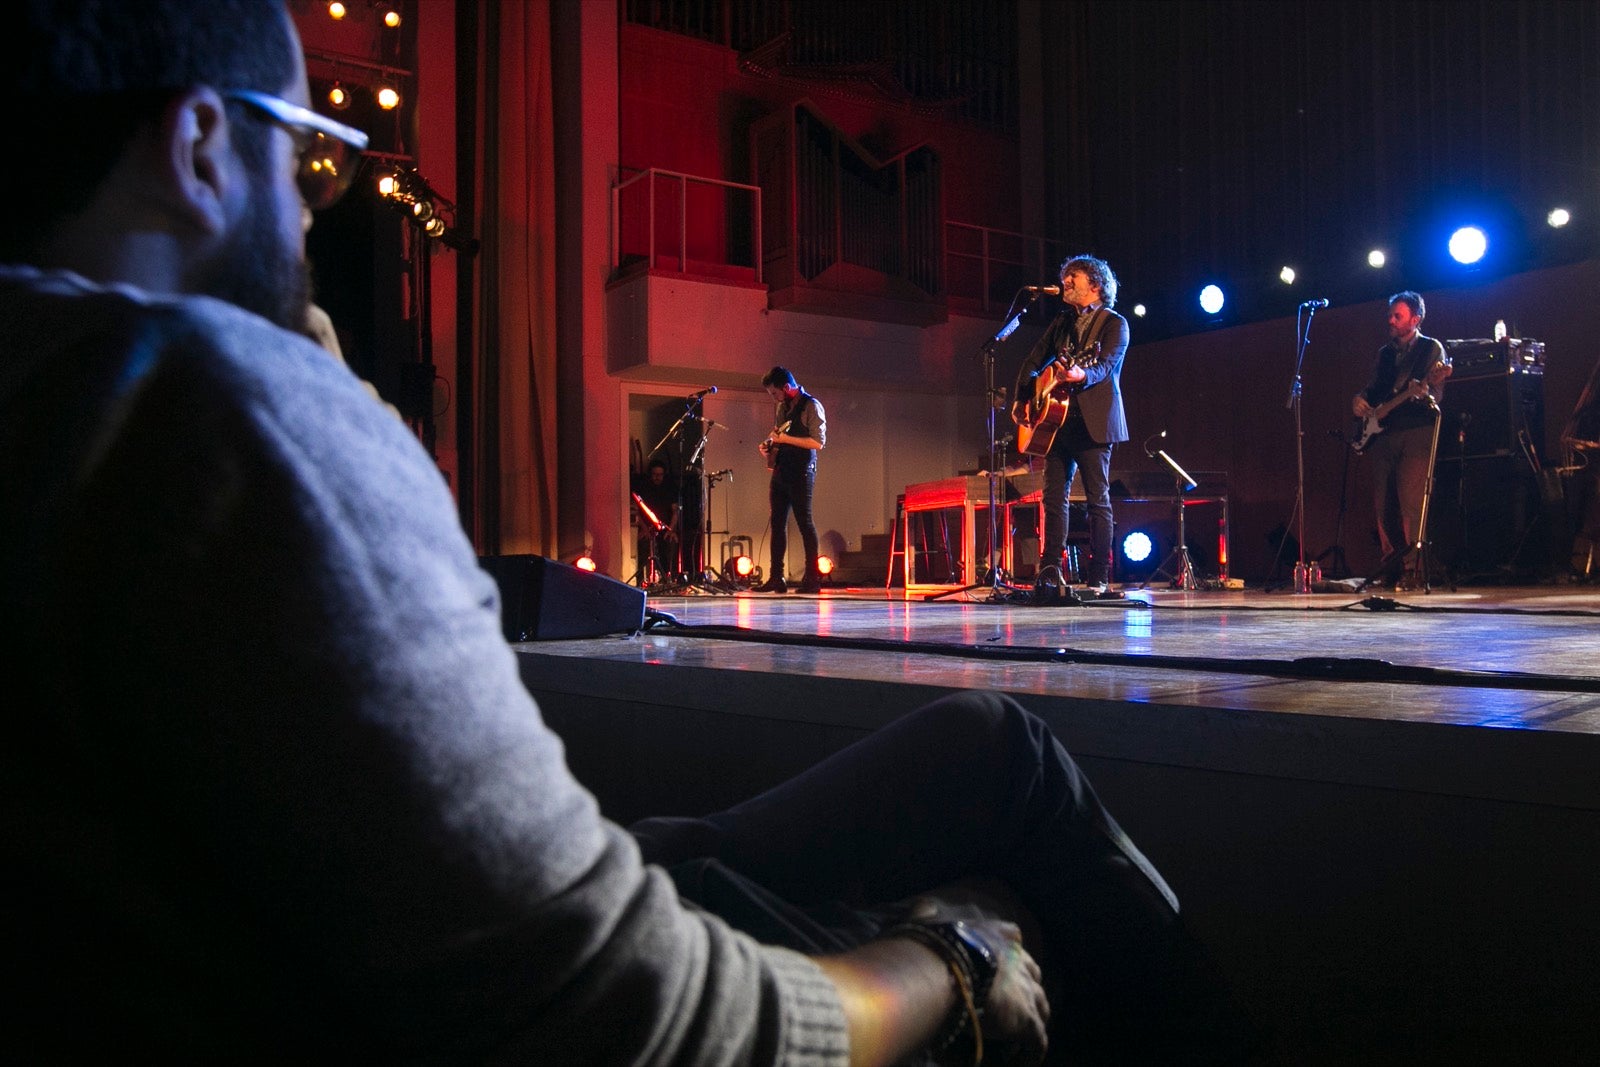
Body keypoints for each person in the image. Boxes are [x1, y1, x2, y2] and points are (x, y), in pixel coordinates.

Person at [1, 3, 1244, 1062]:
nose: (316, 212)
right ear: (202, 143)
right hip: (477, 1002)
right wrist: (945, 965)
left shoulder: (78, 383)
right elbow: (608, 1004)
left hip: (341, 939)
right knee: (1007, 777)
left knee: (986, 738)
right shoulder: (206, 406)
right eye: (310, 157)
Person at [1011, 256, 1130, 598]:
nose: (1065, 282)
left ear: (1095, 285)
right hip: (1056, 422)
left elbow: (1105, 365)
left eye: (1072, 278)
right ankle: (1050, 571)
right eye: (1064, 277)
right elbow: (1034, 360)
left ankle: (1099, 577)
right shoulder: (1063, 321)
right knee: (1053, 499)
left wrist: (1082, 374)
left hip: (1094, 423)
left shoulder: (1114, 324)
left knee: (1098, 500)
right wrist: (1023, 398)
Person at [1351, 291, 1452, 589]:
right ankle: (1389, 565)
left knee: (1411, 501)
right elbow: (1373, 388)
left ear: (1415, 320)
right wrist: (1360, 400)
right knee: (1383, 504)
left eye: (1398, 316)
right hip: (1383, 433)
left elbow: (1435, 392)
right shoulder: (1385, 353)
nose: (1391, 320)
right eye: (1391, 315)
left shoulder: (1430, 349)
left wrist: (1424, 392)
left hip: (1416, 430)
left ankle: (1412, 569)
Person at [755, 365, 827, 594]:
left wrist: (786, 438)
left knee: (804, 522)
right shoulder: (781, 407)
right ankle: (777, 577)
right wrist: (769, 444)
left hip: (802, 470)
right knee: (777, 523)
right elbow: (778, 433)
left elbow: (818, 443)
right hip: (782, 469)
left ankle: (812, 578)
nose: (774, 398)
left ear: (786, 387)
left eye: (775, 393)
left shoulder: (811, 406)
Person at [634, 456, 681, 584]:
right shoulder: (643, 488)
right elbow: (637, 512)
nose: (657, 477)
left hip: (665, 528)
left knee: (670, 543)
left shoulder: (670, 488)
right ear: (650, 474)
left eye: (660, 474)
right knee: (643, 544)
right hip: (646, 527)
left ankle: (669, 579)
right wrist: (644, 529)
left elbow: (675, 512)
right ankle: (641, 581)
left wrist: (671, 530)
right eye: (654, 474)